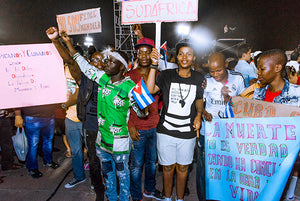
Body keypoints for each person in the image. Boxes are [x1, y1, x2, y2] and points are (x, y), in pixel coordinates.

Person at [47, 27, 147, 201]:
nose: (105, 63)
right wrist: (66, 42)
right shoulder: (102, 78)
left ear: (122, 66)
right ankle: (111, 198)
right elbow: (83, 65)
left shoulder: (131, 87)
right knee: (108, 177)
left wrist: (139, 102)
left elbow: (143, 113)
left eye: (110, 61)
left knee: (123, 178)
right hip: (102, 142)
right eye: (106, 61)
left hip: (120, 144)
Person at [46, 27, 105, 200]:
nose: (98, 64)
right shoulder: (84, 77)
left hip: (103, 126)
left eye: (101, 61)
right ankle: (87, 182)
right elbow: (70, 61)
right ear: (89, 63)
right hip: (83, 122)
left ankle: (101, 184)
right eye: (94, 60)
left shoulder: (109, 79)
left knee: (99, 158)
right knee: (84, 155)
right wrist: (57, 40)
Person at [146, 39, 205, 201]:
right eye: (181, 54)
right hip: (166, 131)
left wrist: (199, 115)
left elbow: (199, 99)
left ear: (193, 58)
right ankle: (166, 198)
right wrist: (153, 65)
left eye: (189, 54)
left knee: (183, 168)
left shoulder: (199, 78)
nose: (184, 57)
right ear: (176, 57)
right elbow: (150, 90)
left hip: (188, 132)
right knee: (167, 168)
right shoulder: (166, 75)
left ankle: (179, 199)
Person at [252, 49, 300, 201]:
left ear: (278, 68)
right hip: (261, 155)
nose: (258, 73)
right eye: (257, 68)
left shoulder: (297, 94)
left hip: (285, 157)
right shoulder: (257, 93)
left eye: (262, 68)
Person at [126, 38, 163, 201]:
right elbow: (124, 106)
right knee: (136, 165)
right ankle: (135, 194)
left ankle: (150, 189)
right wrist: (130, 125)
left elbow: (154, 95)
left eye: (147, 52)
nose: (144, 56)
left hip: (155, 126)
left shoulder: (159, 75)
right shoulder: (129, 76)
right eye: (140, 52)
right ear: (136, 54)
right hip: (138, 128)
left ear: (152, 54)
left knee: (151, 163)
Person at [14, 104, 59, 178]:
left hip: (49, 115)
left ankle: (48, 161)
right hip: (32, 116)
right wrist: (17, 114)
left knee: (48, 140)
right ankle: (32, 168)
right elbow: (18, 97)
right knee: (33, 144)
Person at [62, 64, 86, 188]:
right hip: (70, 118)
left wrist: (63, 104)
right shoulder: (61, 71)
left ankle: (97, 180)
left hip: (85, 120)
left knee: (93, 152)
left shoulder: (83, 71)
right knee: (76, 151)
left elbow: (78, 96)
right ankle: (79, 176)